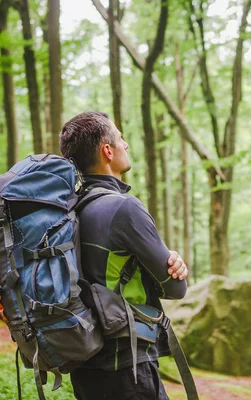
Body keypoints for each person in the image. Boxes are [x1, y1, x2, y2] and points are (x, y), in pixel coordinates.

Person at [60, 111, 188, 400]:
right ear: (108, 150)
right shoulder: (124, 209)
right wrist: (172, 261)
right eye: (120, 138)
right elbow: (176, 288)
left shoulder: (71, 211)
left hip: (84, 362)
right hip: (128, 365)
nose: (125, 144)